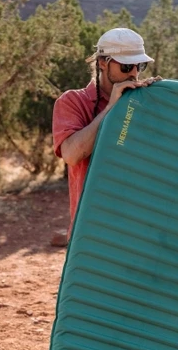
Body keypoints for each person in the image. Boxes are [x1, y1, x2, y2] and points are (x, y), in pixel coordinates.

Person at [52, 28, 162, 236]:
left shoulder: (142, 102)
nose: (133, 73)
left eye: (139, 66)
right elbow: (72, 155)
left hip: (141, 223)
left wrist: (161, 102)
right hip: (94, 227)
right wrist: (112, 108)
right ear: (103, 62)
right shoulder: (73, 102)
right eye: (126, 66)